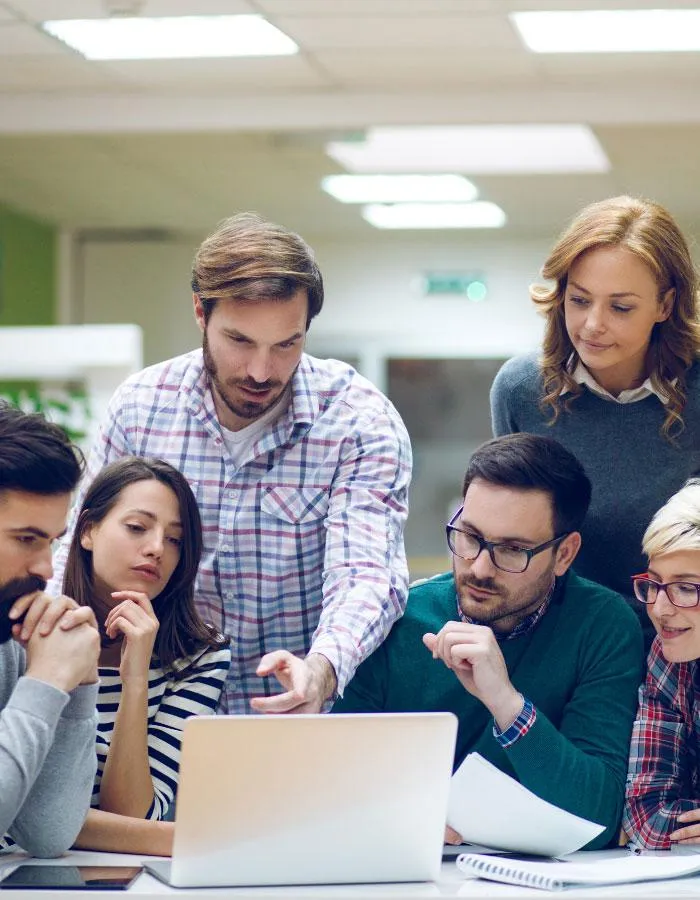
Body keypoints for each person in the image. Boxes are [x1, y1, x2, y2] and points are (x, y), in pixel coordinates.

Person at [51, 212, 412, 714]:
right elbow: (75, 548)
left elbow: (366, 574)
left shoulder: (359, 421)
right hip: (158, 715)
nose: (261, 371)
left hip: (300, 717)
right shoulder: (141, 407)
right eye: (240, 341)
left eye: (286, 344)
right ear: (201, 312)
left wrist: (321, 669)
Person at [334, 433, 644, 849]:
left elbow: (597, 821)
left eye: (513, 550)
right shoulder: (397, 619)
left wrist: (506, 703)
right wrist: (395, 820)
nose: (479, 568)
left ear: (565, 554)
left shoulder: (603, 626)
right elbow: (333, 783)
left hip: (542, 876)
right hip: (402, 862)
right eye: (469, 537)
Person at [490, 196, 700, 646]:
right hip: (562, 638)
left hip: (682, 640)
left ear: (665, 304)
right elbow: (512, 535)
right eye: (579, 300)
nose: (591, 325)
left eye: (620, 307)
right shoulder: (520, 390)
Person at [62, 457, 231, 856]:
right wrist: (195, 841)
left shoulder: (200, 656)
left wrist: (135, 681)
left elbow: (133, 814)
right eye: (137, 527)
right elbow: (26, 813)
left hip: (133, 873)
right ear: (87, 531)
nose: (156, 549)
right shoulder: (31, 631)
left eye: (175, 540)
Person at [0, 403, 100, 856]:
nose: (46, 568)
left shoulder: (10, 636)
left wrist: (77, 686)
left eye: (52, 541)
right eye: (26, 538)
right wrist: (45, 681)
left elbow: (49, 834)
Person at [624, 479, 700, 848]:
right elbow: (646, 816)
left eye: (686, 588)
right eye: (654, 584)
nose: (659, 609)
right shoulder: (669, 658)